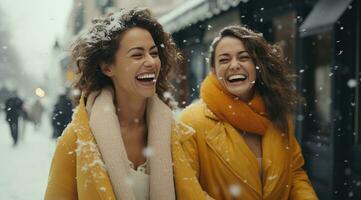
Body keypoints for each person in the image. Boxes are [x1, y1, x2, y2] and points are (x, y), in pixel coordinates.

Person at [45, 8, 185, 200]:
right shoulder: (75, 141)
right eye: (137, 55)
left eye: (154, 53)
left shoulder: (179, 134)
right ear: (107, 66)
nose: (151, 62)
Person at [172, 25, 319, 199]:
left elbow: (295, 175)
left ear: (257, 65)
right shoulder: (191, 121)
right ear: (213, 70)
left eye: (244, 57)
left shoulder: (277, 115)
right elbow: (188, 190)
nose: (234, 65)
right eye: (224, 60)